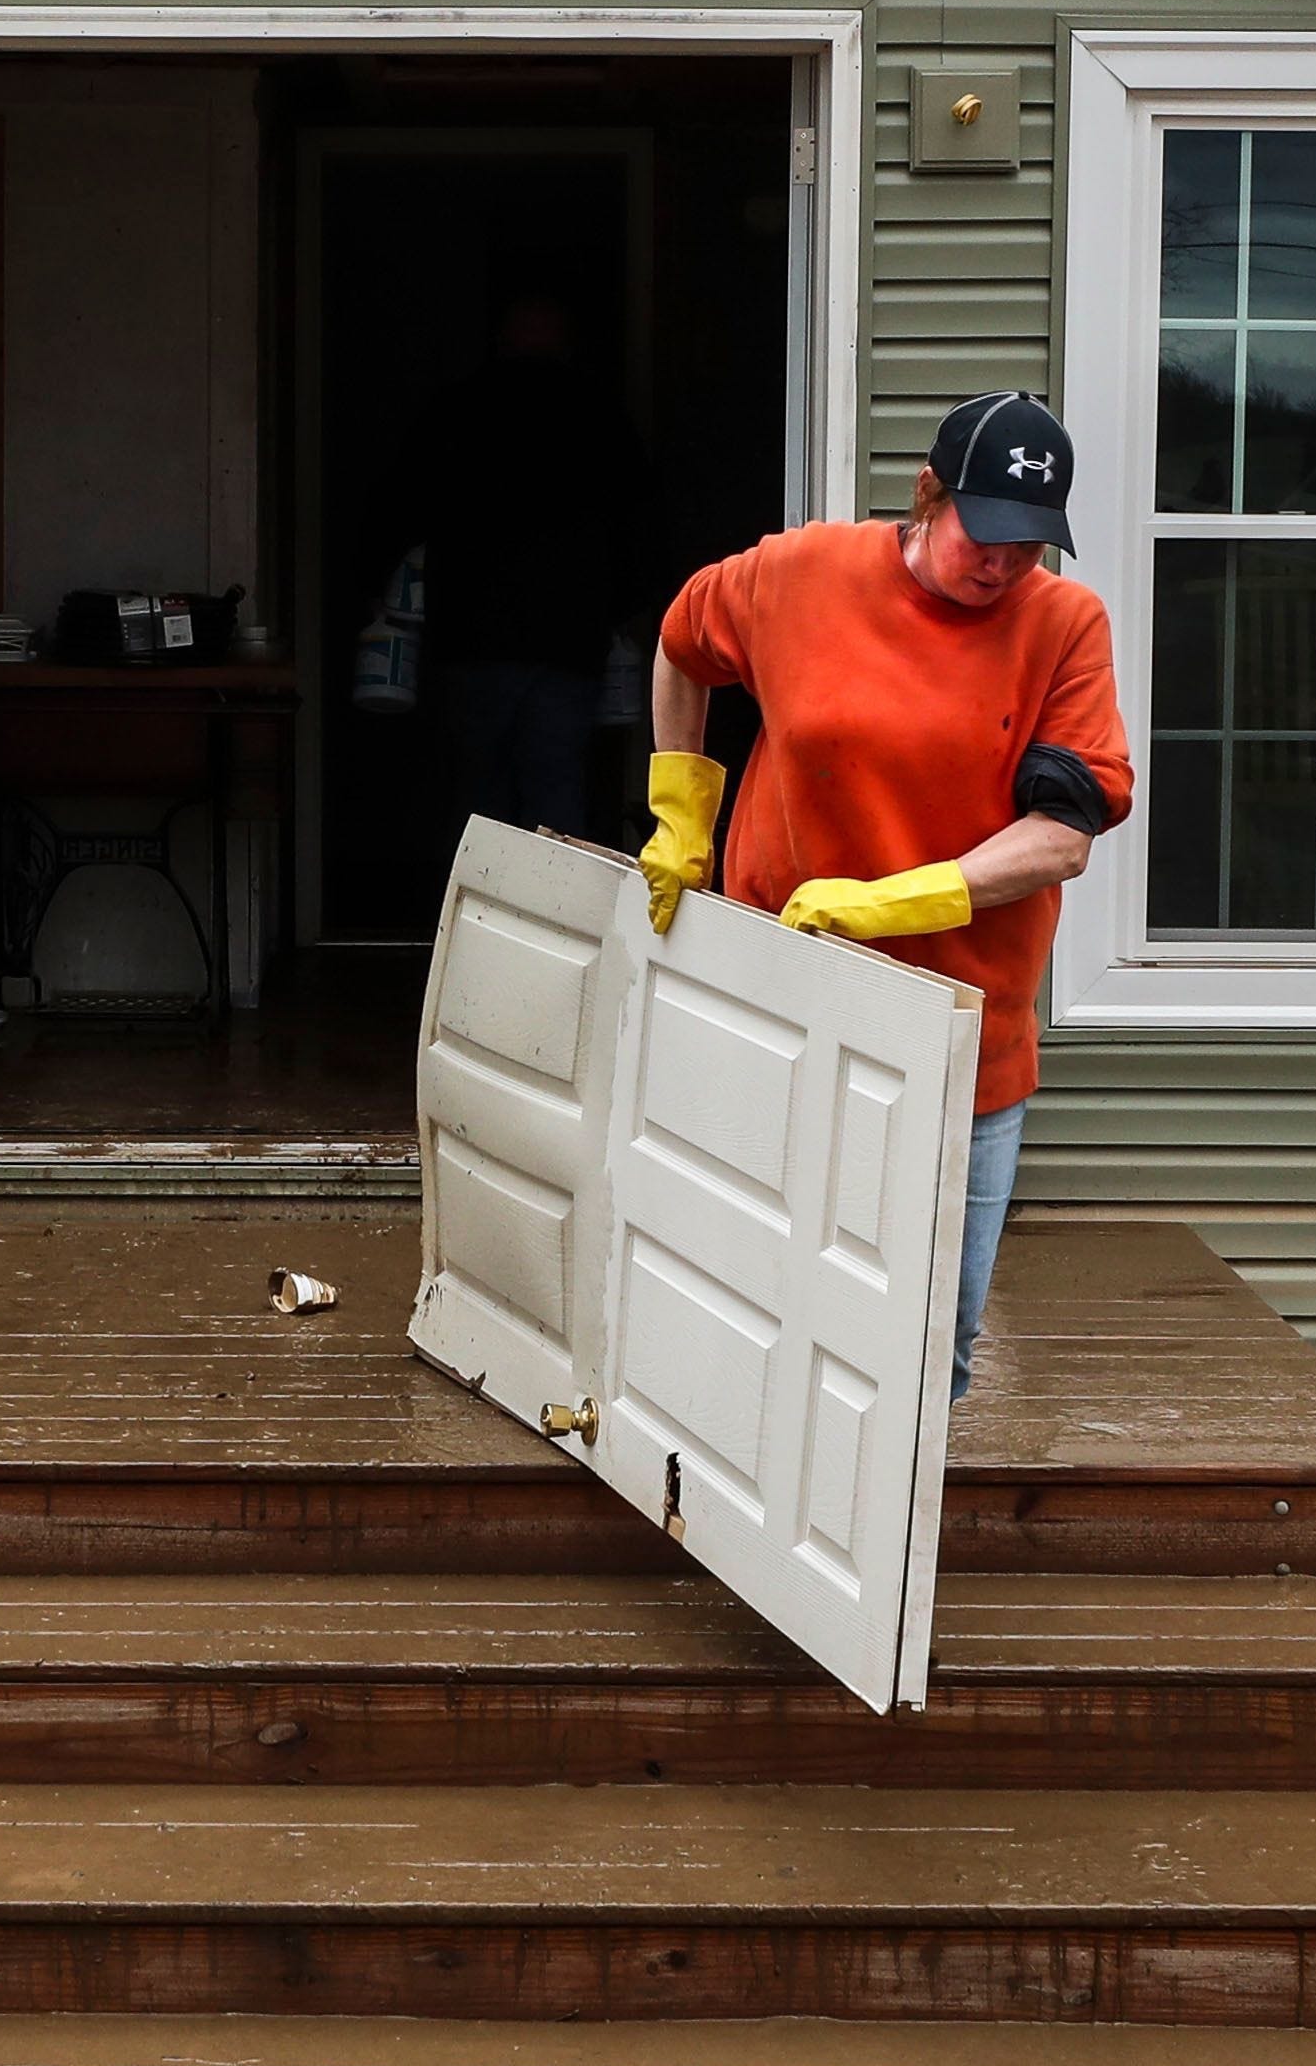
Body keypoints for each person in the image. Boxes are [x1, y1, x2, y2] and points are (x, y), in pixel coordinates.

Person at [641, 387, 1127, 1407]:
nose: (1000, 563)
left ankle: (896, 1560)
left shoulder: (1063, 626)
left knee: (924, 1340)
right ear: (925, 494)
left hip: (963, 1032)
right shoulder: (799, 574)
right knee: (758, 1297)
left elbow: (1064, 837)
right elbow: (681, 645)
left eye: (1027, 544)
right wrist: (680, 806)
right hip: (781, 1001)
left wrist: (888, 902)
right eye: (982, 533)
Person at [423, 288, 640, 834]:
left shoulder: (458, 413)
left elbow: (411, 508)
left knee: (476, 802)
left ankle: (473, 917)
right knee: (557, 795)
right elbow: (637, 522)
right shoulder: (601, 419)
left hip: (471, 640)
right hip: (568, 644)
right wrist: (624, 609)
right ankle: (555, 919)